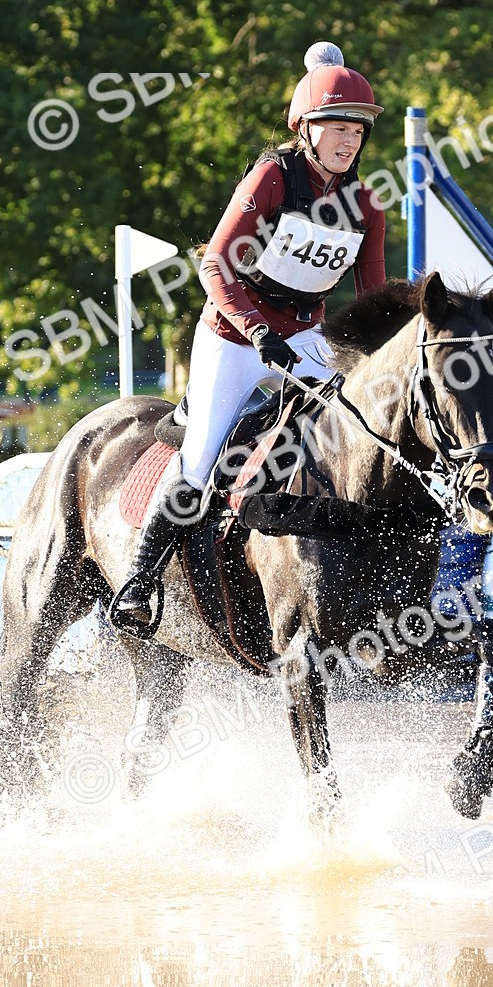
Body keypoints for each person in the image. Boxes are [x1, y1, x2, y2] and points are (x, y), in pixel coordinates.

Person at [111, 41, 387, 629]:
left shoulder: (366, 204)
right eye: (335, 127)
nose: (348, 141)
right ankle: (139, 579)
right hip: (235, 335)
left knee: (359, 431)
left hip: (307, 337)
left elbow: (371, 302)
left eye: (357, 132)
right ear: (305, 130)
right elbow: (215, 264)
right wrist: (257, 330)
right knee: (203, 454)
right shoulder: (272, 176)